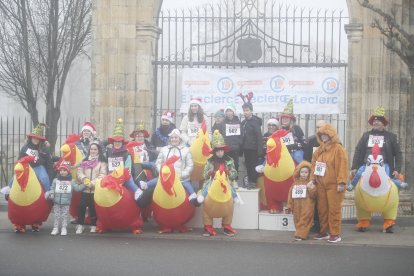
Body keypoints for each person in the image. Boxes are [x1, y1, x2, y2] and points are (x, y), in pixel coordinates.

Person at [349, 106, 406, 190]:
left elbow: (398, 154)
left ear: (383, 123)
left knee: (387, 178)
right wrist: (354, 167)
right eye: (374, 121)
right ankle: (352, 185)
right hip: (366, 164)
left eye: (378, 121)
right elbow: (358, 151)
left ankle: (399, 183)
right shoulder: (366, 135)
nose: (375, 122)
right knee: (359, 175)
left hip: (384, 164)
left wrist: (397, 170)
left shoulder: (391, 137)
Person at [139, 129, 199, 206]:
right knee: (155, 182)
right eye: (172, 138)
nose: (174, 139)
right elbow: (158, 163)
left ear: (180, 139)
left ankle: (193, 199)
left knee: (188, 187)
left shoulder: (186, 150)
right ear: (170, 139)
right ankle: (145, 188)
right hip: (166, 177)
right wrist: (162, 171)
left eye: (176, 137)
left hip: (181, 178)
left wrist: (182, 175)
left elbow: (190, 165)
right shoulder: (164, 149)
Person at [309, 123, 348, 243]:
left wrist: (341, 182)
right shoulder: (319, 150)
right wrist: (312, 180)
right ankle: (324, 232)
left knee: (334, 209)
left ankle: (335, 233)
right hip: (320, 185)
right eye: (321, 135)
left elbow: (343, 165)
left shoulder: (338, 149)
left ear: (331, 135)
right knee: (322, 210)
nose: (324, 136)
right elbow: (314, 165)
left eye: (326, 134)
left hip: (334, 186)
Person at [106, 118, 143, 201]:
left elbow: (128, 169)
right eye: (115, 141)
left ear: (122, 143)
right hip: (111, 175)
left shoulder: (127, 154)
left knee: (127, 177)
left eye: (119, 142)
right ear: (113, 142)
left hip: (123, 176)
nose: (117, 143)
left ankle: (136, 190)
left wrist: (120, 177)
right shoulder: (108, 152)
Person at [198, 130, 239, 203]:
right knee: (209, 185)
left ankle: (235, 197)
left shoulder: (229, 160)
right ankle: (202, 196)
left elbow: (234, 174)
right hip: (213, 180)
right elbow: (204, 175)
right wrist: (209, 173)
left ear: (224, 151)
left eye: (221, 151)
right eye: (217, 151)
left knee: (229, 186)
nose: (219, 153)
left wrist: (228, 173)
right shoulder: (210, 161)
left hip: (225, 180)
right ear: (214, 152)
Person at [76, 142, 107, 234]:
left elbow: (103, 174)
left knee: (93, 208)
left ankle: (93, 225)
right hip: (85, 188)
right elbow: (79, 172)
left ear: (98, 151)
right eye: (91, 149)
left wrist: (93, 183)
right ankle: (80, 225)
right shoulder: (85, 160)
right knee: (81, 206)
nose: (93, 151)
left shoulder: (102, 162)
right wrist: (84, 179)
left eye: (95, 149)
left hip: (95, 189)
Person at [48, 164, 86, 236]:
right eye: (61, 170)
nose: (63, 172)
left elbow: (77, 188)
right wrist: (51, 193)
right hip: (56, 201)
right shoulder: (55, 180)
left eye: (65, 170)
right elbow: (52, 188)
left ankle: (64, 228)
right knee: (56, 215)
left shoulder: (72, 181)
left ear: (68, 171)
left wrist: (85, 185)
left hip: (66, 202)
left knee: (64, 215)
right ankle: (55, 228)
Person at [303, 119, 326, 233]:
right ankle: (315, 224)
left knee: (325, 203)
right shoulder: (311, 141)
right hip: (314, 177)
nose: (319, 130)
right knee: (314, 202)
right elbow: (306, 160)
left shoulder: (334, 142)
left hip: (327, 178)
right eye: (317, 127)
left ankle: (326, 226)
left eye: (321, 127)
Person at [286, 161, 317, 241]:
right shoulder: (295, 184)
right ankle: (300, 232)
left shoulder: (310, 183)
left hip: (308, 206)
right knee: (297, 219)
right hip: (296, 206)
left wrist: (311, 188)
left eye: (306, 172)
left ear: (309, 173)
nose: (304, 174)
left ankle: (301, 235)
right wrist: (289, 205)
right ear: (298, 172)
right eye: (302, 172)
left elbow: (314, 196)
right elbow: (290, 195)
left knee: (305, 219)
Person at [239, 93, 263, 189]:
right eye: (244, 111)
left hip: (253, 149)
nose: (246, 112)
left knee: (253, 165)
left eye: (247, 110)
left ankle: (253, 182)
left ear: (251, 111)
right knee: (248, 165)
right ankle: (250, 181)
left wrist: (259, 150)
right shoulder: (244, 122)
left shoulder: (255, 122)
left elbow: (259, 136)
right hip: (246, 148)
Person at [277, 99, 305, 164]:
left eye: (286, 118)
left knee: (298, 156)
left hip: (296, 151)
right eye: (283, 118)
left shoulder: (296, 128)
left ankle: (302, 170)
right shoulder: (279, 130)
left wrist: (296, 145)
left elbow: (304, 142)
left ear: (291, 120)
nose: (284, 120)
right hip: (283, 152)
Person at [222, 104, 242, 174]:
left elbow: (240, 135)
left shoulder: (238, 122)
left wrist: (239, 144)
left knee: (235, 164)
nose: (229, 112)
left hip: (235, 147)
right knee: (227, 164)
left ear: (233, 112)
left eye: (230, 111)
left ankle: (235, 179)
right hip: (226, 148)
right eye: (227, 111)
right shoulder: (223, 122)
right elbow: (223, 134)